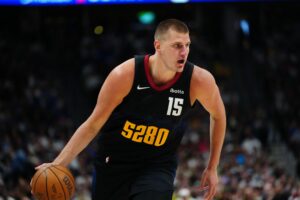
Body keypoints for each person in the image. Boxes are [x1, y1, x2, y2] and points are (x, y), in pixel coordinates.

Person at [31, 19, 226, 200]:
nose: (184, 52)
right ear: (157, 46)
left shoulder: (198, 81)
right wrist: (58, 163)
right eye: (177, 46)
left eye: (187, 45)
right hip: (114, 163)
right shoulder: (124, 75)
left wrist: (212, 167)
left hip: (157, 165)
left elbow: (218, 115)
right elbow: (93, 124)